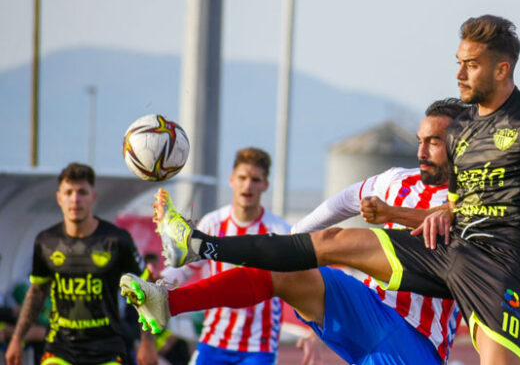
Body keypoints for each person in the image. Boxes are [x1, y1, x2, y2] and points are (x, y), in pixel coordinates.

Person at [151, 15, 520, 365]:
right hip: (450, 255)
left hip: (496, 266)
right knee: (335, 242)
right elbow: (462, 197)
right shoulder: (465, 131)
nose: (460, 71)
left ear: (502, 69)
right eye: (457, 61)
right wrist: (433, 214)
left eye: (470, 64)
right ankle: (198, 245)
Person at [120, 99, 469, 364]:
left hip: (413, 340)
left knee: (336, 244)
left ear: (460, 144)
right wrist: (292, 248)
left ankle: (198, 246)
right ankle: (167, 302)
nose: (421, 151)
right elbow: (343, 202)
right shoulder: (397, 179)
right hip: (367, 308)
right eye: (420, 140)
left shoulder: (474, 197)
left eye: (434, 142)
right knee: (284, 268)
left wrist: (404, 213)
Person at [4, 162, 157, 365]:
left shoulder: (117, 240)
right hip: (60, 349)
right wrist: (17, 339)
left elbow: (145, 292)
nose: (75, 199)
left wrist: (148, 343)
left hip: (107, 350)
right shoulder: (46, 241)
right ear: (59, 198)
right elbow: (37, 292)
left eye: (82, 192)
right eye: (69, 192)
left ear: (93, 198)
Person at [156, 148, 290, 365]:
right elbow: (184, 267)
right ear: (231, 180)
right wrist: (157, 282)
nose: (248, 186)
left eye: (256, 180)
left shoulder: (279, 230)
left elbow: (299, 281)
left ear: (265, 185)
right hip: (214, 341)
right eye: (243, 178)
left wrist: (315, 328)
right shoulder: (212, 223)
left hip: (259, 348)